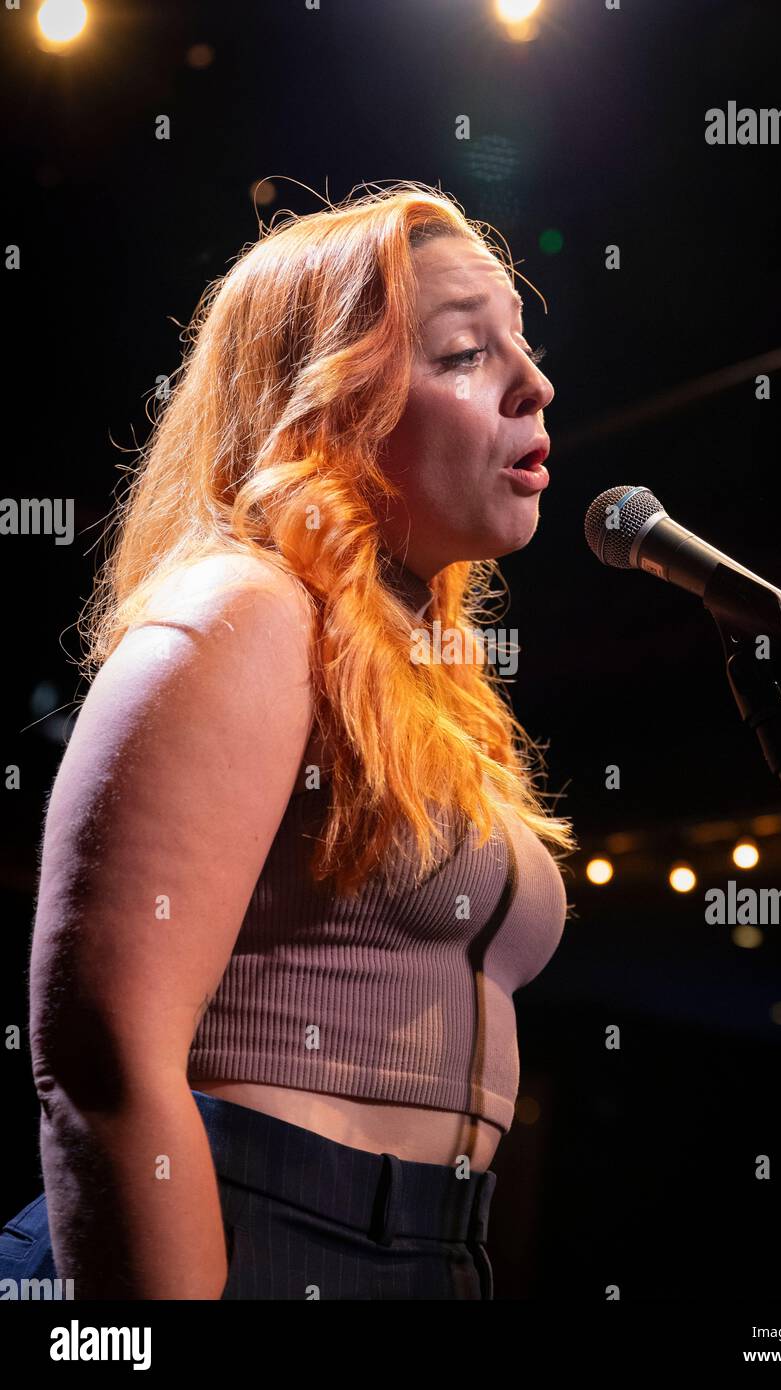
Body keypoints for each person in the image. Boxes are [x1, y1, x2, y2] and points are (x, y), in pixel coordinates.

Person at [0, 181, 576, 1300]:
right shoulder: (250, 609)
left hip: (425, 1251)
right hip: (227, 1226)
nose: (535, 383)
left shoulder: (428, 689)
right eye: (464, 354)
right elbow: (100, 1055)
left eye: (522, 342)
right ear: (328, 411)